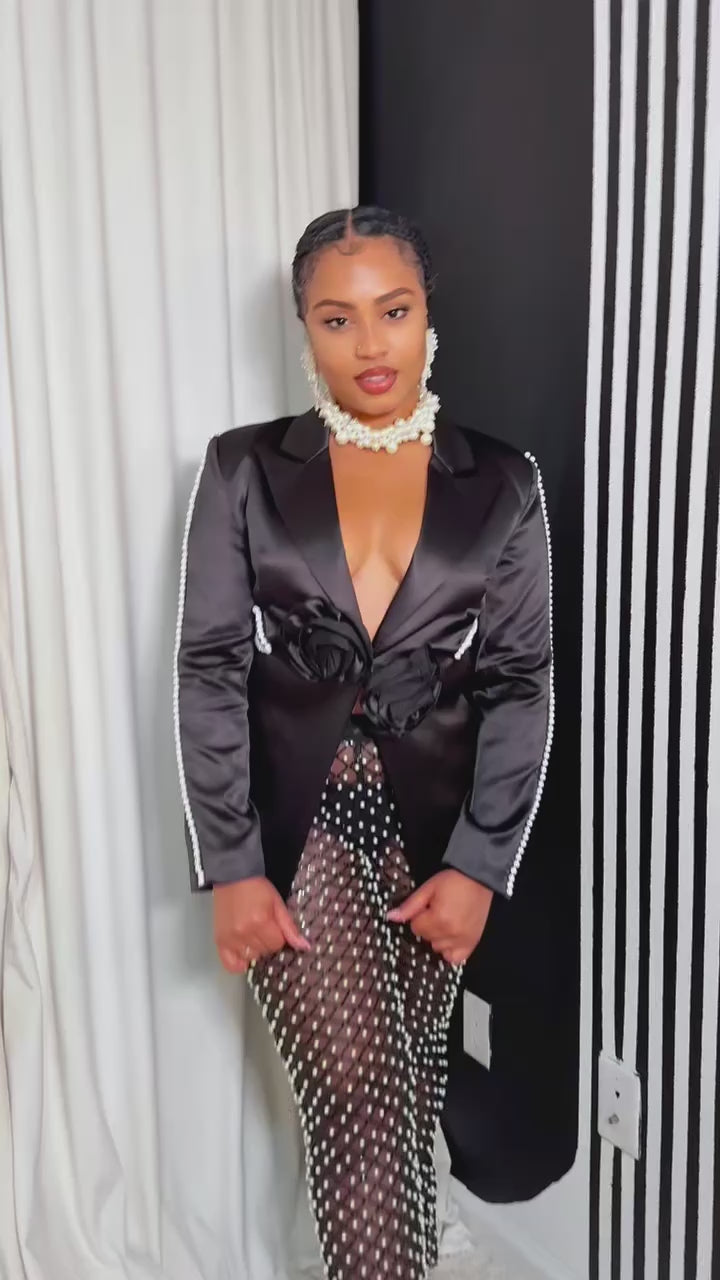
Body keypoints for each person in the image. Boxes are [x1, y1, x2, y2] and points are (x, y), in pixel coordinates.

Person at [174, 205, 553, 1280]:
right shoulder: (244, 468)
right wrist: (232, 864)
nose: (370, 343)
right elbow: (210, 667)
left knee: (410, 1081)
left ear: (429, 315)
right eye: (336, 319)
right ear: (304, 327)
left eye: (395, 310)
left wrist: (480, 865)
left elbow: (521, 682)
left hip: (436, 832)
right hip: (300, 829)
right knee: (358, 1101)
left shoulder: (503, 481)